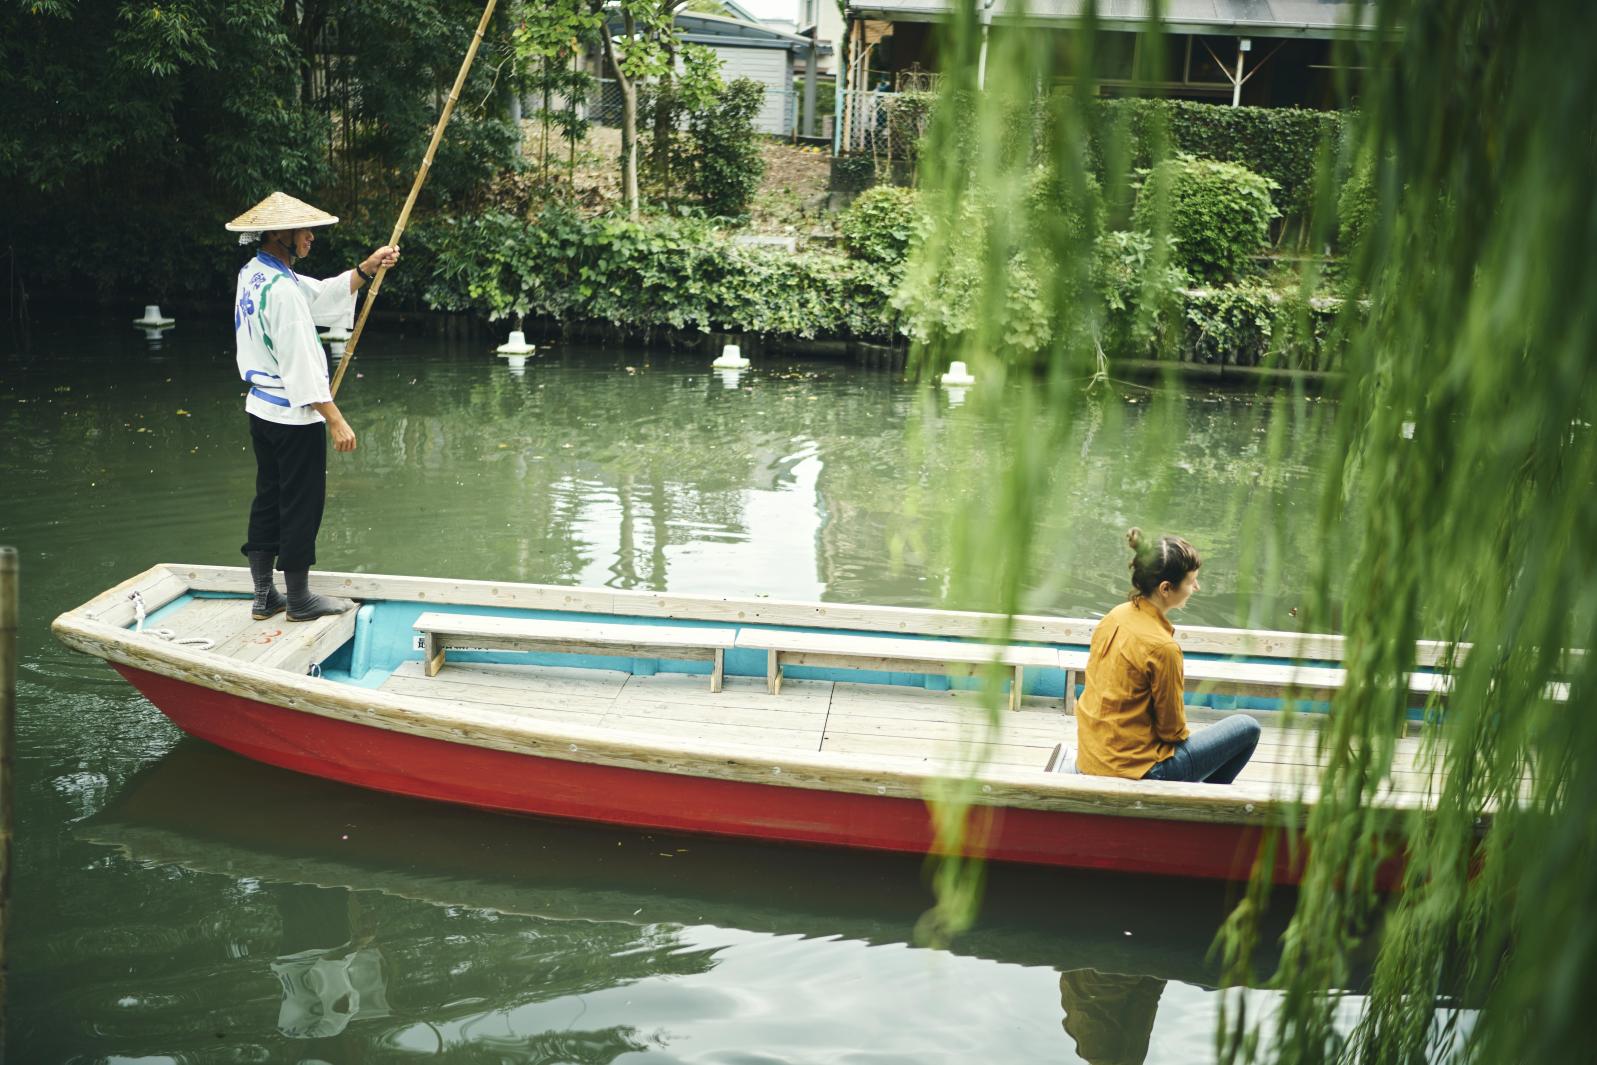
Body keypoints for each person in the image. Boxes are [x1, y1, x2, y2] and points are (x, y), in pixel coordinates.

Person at [224, 191, 399, 622]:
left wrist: (366, 268)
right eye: (305, 231)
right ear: (281, 234)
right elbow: (302, 364)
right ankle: (299, 598)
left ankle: (264, 595)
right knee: (302, 502)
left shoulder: (257, 272)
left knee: (269, 496)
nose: (311, 239)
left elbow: (319, 295)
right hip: (291, 414)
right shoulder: (282, 291)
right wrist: (336, 420)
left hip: (261, 410)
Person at [1058, 528, 1260, 784]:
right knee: (1247, 727)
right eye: (1191, 581)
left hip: (1092, 756)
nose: (1196, 587)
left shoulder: (1115, 615)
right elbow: (1172, 732)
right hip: (1138, 771)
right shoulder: (1163, 648)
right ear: (1166, 588)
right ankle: (1203, 803)